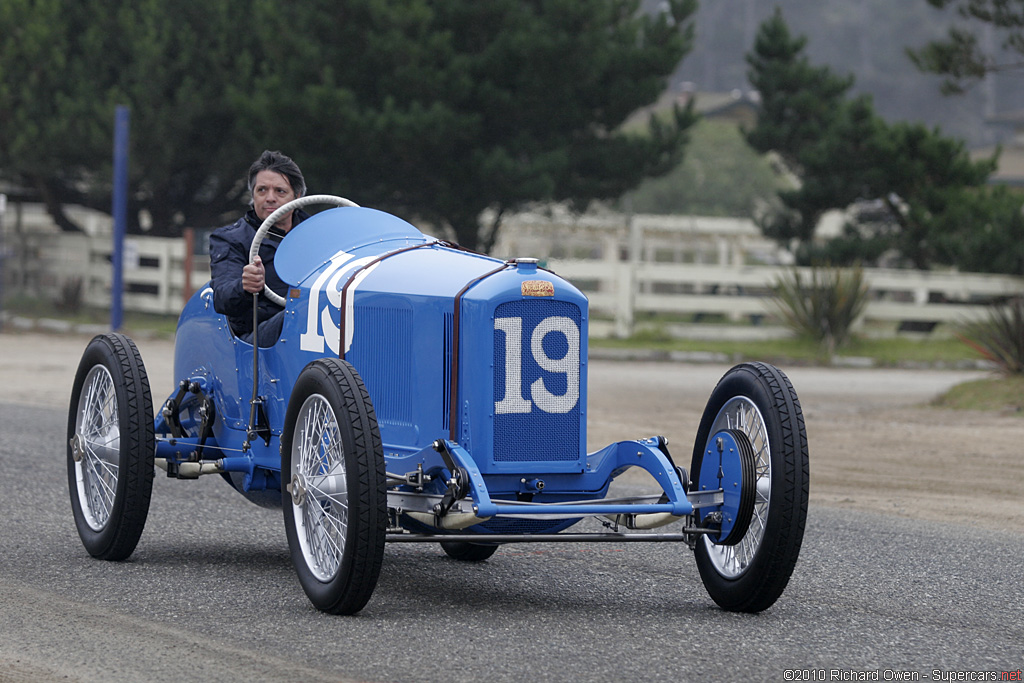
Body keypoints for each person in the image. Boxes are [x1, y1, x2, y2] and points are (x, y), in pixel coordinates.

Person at [209, 150, 309, 347]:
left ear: (297, 197)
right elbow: (222, 296)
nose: (270, 198)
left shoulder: (317, 232)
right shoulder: (230, 238)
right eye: (262, 190)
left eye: (280, 191)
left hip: (314, 323)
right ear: (253, 195)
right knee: (301, 313)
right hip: (256, 335)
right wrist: (245, 286)